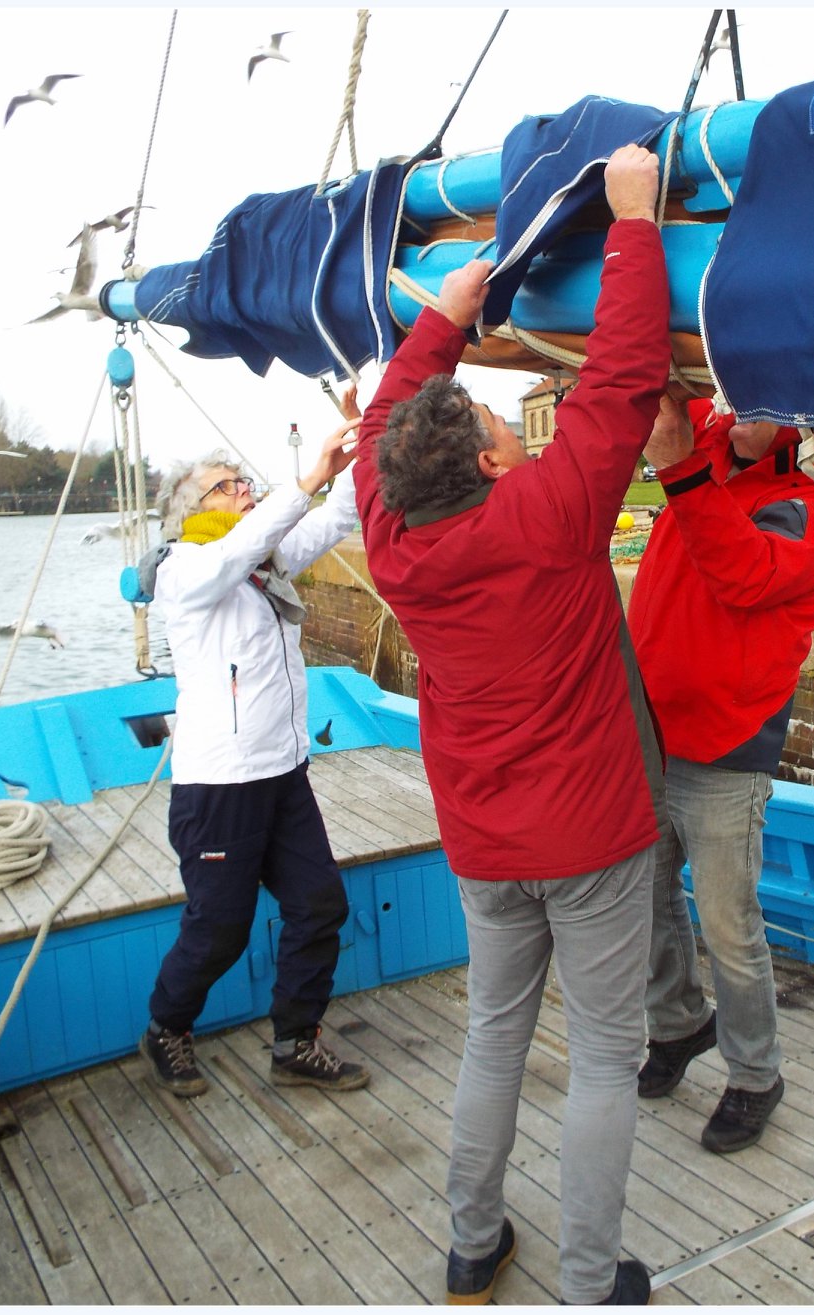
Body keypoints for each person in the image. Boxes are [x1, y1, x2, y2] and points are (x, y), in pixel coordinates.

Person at [352, 144, 669, 1306]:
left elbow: (390, 417)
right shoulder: (546, 516)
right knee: (602, 1060)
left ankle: (471, 1244)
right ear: (492, 459)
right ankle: (590, 1281)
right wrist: (632, 219)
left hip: (483, 845)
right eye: (496, 421)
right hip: (590, 843)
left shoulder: (396, 543)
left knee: (493, 1037)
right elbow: (627, 375)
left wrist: (440, 318)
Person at [629, 395, 814, 1153]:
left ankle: (755, 1073)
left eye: (765, 401)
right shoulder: (713, 442)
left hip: (727, 749)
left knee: (728, 926)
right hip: (654, 734)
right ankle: (677, 1024)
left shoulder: (807, 511)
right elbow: (658, 390)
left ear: (808, 426)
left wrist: (679, 470)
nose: (739, 408)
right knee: (648, 901)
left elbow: (742, 574)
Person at [137, 396, 373, 1099]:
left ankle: (296, 1040)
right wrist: (298, 483)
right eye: (229, 484)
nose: (244, 489)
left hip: (282, 774)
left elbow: (333, 517)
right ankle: (165, 1027)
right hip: (219, 785)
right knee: (220, 928)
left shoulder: (261, 564)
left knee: (319, 905)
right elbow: (234, 550)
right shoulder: (185, 568)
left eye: (244, 480)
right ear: (194, 507)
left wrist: (366, 449)